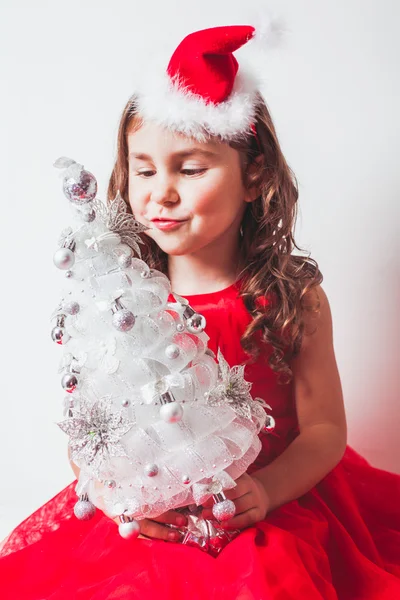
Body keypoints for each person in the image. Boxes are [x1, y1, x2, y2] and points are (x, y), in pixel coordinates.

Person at [0, 24, 399, 600]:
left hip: (269, 498)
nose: (161, 193)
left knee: (264, 580)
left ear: (253, 174)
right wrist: (116, 494)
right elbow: (94, 432)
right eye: (144, 169)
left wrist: (265, 490)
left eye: (189, 169)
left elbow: (324, 430)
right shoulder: (119, 305)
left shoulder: (291, 298)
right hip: (154, 514)